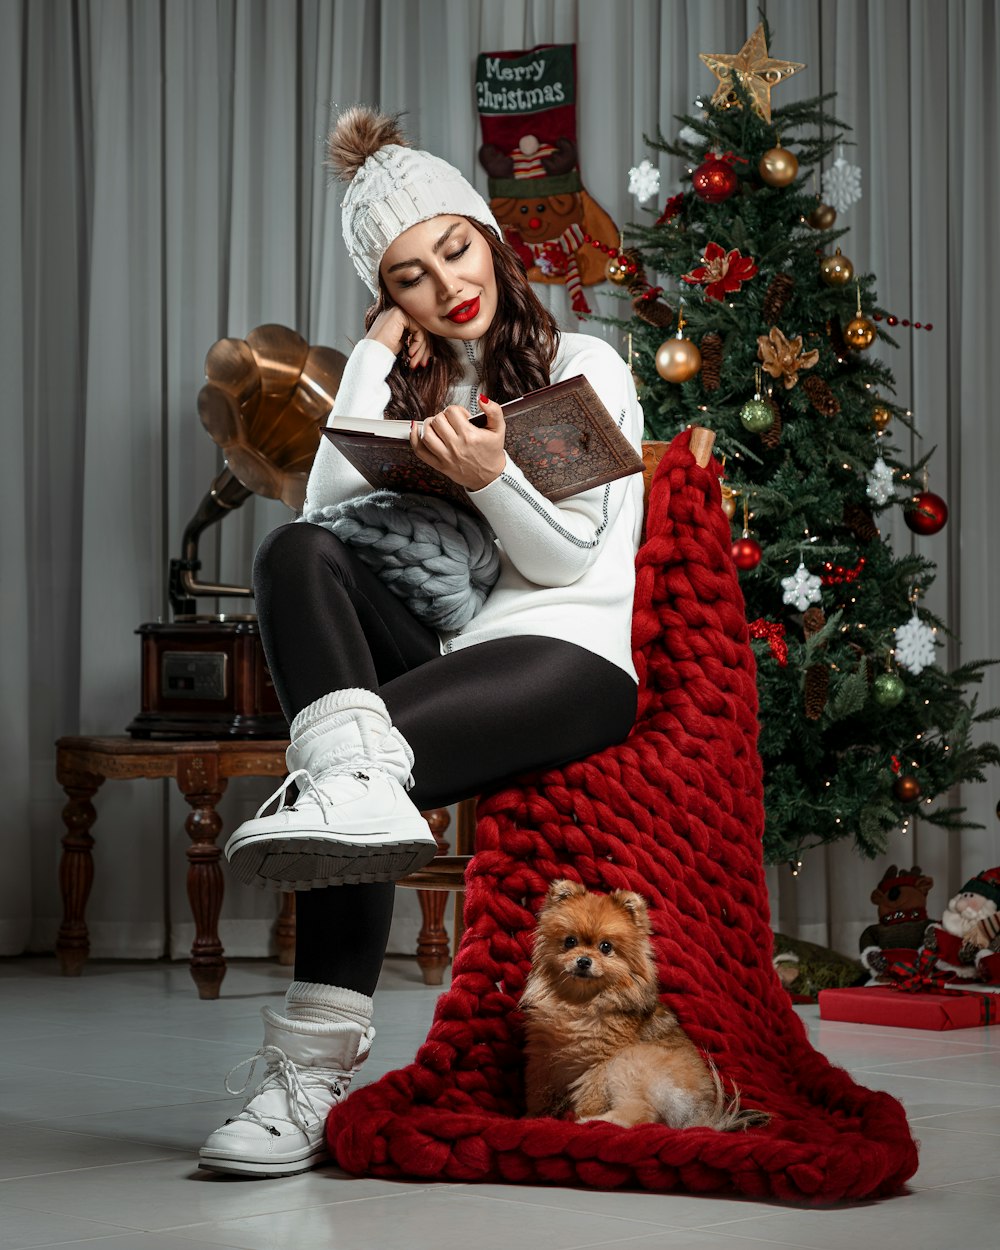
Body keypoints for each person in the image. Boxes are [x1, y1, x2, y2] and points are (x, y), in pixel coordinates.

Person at [198, 106, 644, 1177]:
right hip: (455, 653)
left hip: (570, 658)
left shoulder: (580, 362)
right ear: (387, 294)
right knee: (292, 554)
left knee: (357, 775)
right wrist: (370, 359)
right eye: (407, 277)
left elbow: (566, 565)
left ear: (485, 232)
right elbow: (324, 513)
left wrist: (491, 481)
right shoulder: (421, 381)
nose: (446, 285)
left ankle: (303, 1076)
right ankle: (346, 787)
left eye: (452, 246)